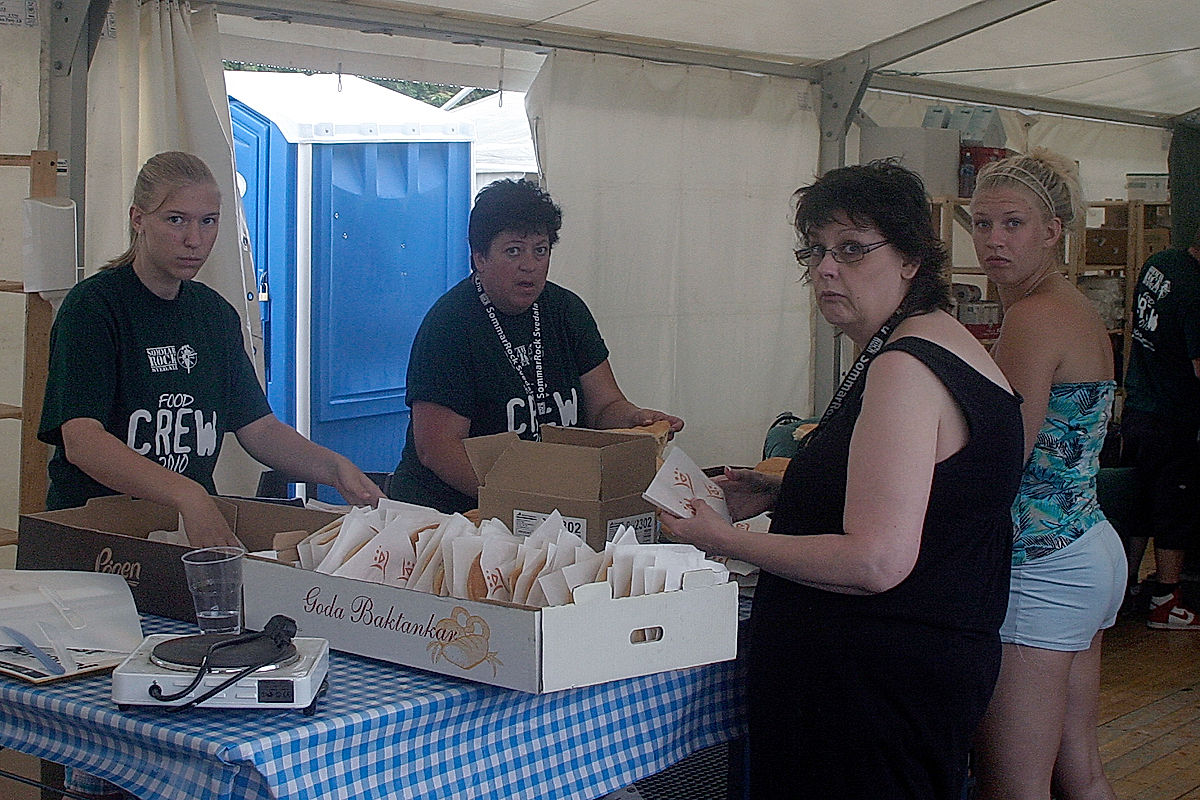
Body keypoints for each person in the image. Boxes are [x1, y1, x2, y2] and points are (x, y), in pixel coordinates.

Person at [661, 160, 1024, 799]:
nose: (827, 269)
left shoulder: (905, 366)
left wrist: (722, 539)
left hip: (869, 691)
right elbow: (936, 497)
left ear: (911, 258)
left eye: (853, 250)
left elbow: (876, 559)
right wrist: (784, 491)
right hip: (903, 673)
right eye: (817, 252)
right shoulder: (929, 343)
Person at [40, 151, 384, 550]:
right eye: (176, 220)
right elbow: (82, 440)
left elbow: (260, 429)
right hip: (94, 534)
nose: (194, 239)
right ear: (138, 219)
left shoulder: (214, 314)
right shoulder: (95, 307)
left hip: (181, 534)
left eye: (208, 221)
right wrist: (187, 493)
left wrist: (334, 467)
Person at [968, 149, 1125, 800]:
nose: (993, 241)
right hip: (1085, 548)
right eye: (980, 224)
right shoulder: (1068, 307)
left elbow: (1005, 459)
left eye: (1013, 224)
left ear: (1053, 231)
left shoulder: (1035, 317)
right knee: (1079, 773)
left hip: (1043, 564)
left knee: (1015, 785)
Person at [388, 178, 682, 513]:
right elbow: (437, 448)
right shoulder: (450, 326)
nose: (530, 264)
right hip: (452, 514)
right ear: (479, 258)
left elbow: (604, 407)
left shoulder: (566, 311)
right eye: (513, 250)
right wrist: (518, 501)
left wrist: (634, 419)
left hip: (550, 507)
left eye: (540, 250)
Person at [1118, 230, 1200, 628]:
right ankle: (1166, 600)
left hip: (1137, 405)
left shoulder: (1159, 263)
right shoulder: (1197, 294)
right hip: (1172, 417)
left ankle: (1127, 589)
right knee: (1173, 508)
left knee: (1139, 506)